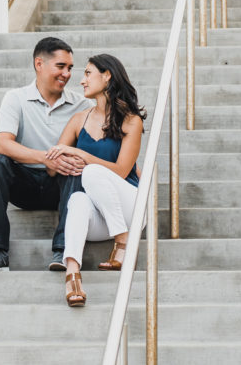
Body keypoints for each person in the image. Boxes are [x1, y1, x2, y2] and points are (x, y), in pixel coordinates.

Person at [0, 37, 92, 272]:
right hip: (24, 185)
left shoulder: (82, 105)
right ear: (39, 64)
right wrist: (44, 158)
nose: (67, 74)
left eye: (70, 68)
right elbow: (3, 144)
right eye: (61, 66)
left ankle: (63, 250)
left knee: (77, 168)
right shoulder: (15, 98)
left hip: (61, 185)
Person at [46, 53, 146, 307]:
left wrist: (80, 153)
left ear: (107, 75)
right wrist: (63, 161)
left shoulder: (131, 121)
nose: (81, 81)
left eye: (88, 73)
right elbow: (52, 166)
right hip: (100, 217)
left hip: (129, 208)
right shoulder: (79, 120)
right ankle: (72, 275)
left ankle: (123, 241)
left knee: (91, 171)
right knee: (77, 200)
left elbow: (122, 171)